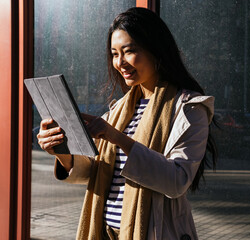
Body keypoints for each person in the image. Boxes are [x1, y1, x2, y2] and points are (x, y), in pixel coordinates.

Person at [37, 7, 217, 240]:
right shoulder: (119, 109)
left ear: (156, 50)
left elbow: (177, 180)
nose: (120, 62)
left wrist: (117, 137)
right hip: (106, 233)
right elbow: (95, 171)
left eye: (129, 51)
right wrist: (61, 152)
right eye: (114, 54)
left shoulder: (189, 108)